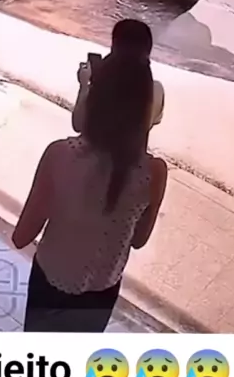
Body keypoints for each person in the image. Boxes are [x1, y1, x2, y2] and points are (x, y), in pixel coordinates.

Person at [12, 52, 168, 332]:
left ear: (94, 103)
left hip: (51, 284)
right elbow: (138, 239)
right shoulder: (154, 172)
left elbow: (21, 236)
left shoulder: (61, 155)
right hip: (102, 292)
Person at [72, 19, 165, 134]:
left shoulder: (106, 84)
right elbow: (155, 120)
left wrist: (84, 85)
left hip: (100, 144)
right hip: (134, 146)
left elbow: (78, 124)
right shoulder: (156, 89)